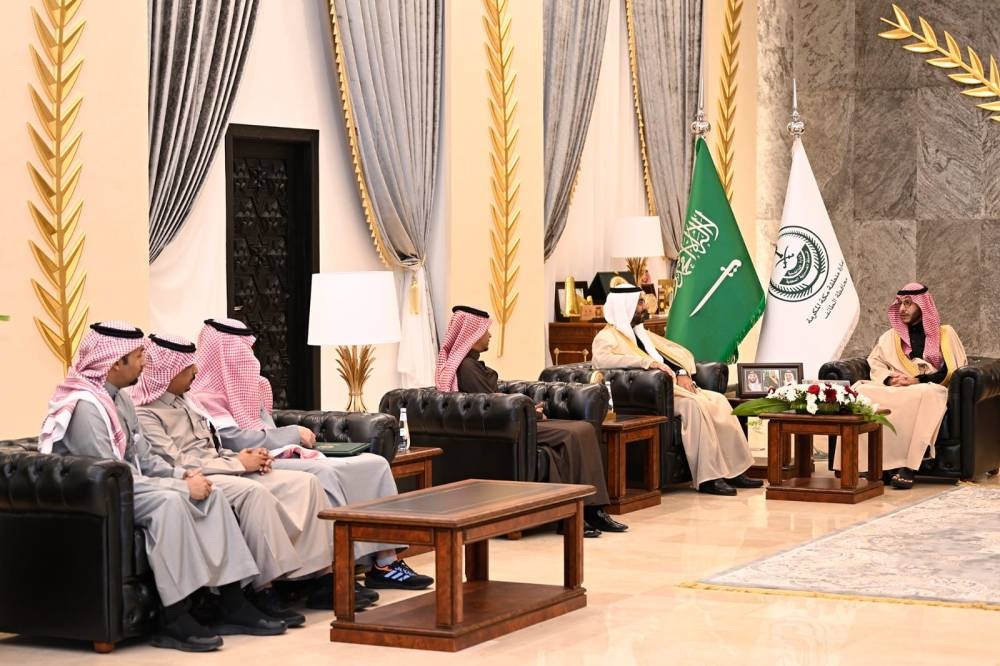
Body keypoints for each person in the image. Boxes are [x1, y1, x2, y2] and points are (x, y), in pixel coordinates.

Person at [39, 322, 283, 652]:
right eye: (139, 356)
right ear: (115, 363)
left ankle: (231, 602)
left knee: (211, 494)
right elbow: (108, 474)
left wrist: (182, 476)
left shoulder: (120, 400)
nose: (145, 363)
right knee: (171, 503)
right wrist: (179, 489)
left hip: (129, 485)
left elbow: (145, 458)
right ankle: (174, 617)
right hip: (99, 498)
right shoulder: (86, 406)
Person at [188, 317, 433, 592]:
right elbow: (233, 440)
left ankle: (386, 562)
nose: (249, 358)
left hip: (282, 453)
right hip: (256, 462)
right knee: (324, 473)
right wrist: (292, 434)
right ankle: (338, 568)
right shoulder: (204, 395)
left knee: (374, 464)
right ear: (222, 353)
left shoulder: (252, 385)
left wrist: (291, 442)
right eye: (241, 351)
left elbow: (263, 427)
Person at [130, 333, 356, 615]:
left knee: (307, 482)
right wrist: (238, 464)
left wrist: (249, 457)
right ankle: (265, 589)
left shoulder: (187, 401)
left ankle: (320, 579)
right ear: (169, 371)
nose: (196, 371)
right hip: (197, 476)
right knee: (254, 493)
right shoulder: (145, 412)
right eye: (188, 367)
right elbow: (176, 462)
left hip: (223, 465)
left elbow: (213, 447)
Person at [436, 305, 627, 538]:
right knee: (575, 432)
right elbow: (490, 407)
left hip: (515, 421)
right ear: (473, 335)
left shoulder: (469, 364)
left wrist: (527, 409)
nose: (490, 335)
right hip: (507, 428)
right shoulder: (466, 367)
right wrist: (531, 413)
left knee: (581, 431)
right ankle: (584, 512)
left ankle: (589, 511)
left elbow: (492, 400)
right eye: (485, 331)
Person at [592, 284, 762, 496]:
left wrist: (681, 372)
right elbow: (602, 360)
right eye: (640, 303)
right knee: (694, 407)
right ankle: (709, 478)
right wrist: (647, 363)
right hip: (650, 397)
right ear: (625, 306)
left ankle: (735, 471)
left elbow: (671, 356)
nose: (644, 308)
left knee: (719, 401)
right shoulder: (606, 337)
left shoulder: (642, 333)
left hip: (672, 388)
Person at [850, 283, 967, 489]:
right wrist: (889, 379)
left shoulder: (945, 334)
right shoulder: (890, 336)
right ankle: (878, 466)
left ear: (923, 306)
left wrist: (917, 380)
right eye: (900, 304)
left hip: (929, 386)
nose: (902, 309)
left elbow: (951, 370)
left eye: (908, 304)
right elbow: (875, 363)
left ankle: (909, 467)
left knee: (925, 394)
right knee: (861, 391)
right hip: (897, 388)